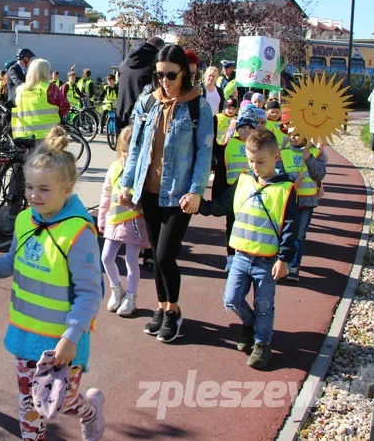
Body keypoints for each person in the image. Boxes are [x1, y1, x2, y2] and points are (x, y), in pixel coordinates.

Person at [0, 126, 106, 441]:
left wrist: (71, 338)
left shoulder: (78, 233)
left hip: (61, 344)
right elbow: (12, 261)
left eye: (44, 189)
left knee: (63, 403)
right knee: (30, 407)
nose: (34, 195)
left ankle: (90, 410)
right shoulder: (24, 220)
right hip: (24, 338)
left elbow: (90, 293)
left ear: (68, 189)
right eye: (30, 187)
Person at [119, 45, 214, 343]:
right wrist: (126, 182)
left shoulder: (198, 106)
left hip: (179, 194)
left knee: (165, 254)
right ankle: (161, 308)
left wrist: (197, 190)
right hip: (148, 191)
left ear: (184, 72)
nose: (164, 80)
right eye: (159, 74)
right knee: (156, 259)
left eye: (170, 74)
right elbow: (135, 147)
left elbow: (204, 152)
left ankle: (173, 311)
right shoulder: (148, 103)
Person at [197, 129, 297, 368]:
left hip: (266, 261)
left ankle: (262, 343)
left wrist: (284, 259)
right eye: (251, 161)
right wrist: (199, 206)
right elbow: (221, 206)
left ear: (276, 157)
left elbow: (291, 228)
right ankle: (249, 323)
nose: (255, 166)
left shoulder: (286, 189)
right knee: (231, 300)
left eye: (261, 161)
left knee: (264, 306)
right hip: (240, 256)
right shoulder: (243, 181)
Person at [99, 125, 150, 317]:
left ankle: (131, 296)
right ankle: (116, 288)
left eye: (132, 152)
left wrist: (135, 205)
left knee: (131, 261)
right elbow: (106, 193)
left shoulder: (142, 172)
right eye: (124, 151)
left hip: (134, 221)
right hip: (114, 219)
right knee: (106, 258)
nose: (128, 156)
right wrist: (102, 216)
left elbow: (146, 199)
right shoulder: (114, 167)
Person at [278, 129, 327, 281]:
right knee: (285, 231)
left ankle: (294, 266)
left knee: (300, 234)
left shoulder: (314, 152)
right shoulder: (284, 153)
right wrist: (292, 180)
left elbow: (320, 174)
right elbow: (278, 173)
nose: (293, 137)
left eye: (297, 134)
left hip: (307, 200)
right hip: (289, 199)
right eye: (290, 134)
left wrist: (310, 159)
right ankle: (283, 262)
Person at [218, 105, 259, 272]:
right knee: (232, 225)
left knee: (250, 225)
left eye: (250, 128)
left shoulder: (258, 145)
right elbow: (220, 164)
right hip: (232, 192)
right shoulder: (229, 143)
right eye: (243, 127)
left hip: (252, 193)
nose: (246, 131)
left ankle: (248, 256)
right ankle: (231, 257)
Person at [11, 58, 68, 141]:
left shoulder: (20, 89)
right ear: (45, 72)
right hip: (47, 134)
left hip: (23, 135)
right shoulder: (49, 87)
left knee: (30, 154)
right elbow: (65, 106)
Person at [116, 36, 165, 129]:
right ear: (160, 49)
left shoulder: (124, 63)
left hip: (122, 116)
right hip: (142, 117)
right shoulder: (156, 64)